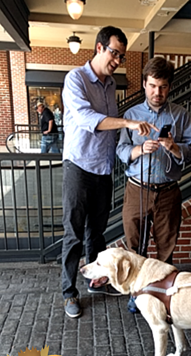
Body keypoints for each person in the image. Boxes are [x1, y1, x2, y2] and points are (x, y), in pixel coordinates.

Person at [61, 26, 156, 318]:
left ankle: (95, 281)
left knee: (96, 233)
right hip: (78, 165)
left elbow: (110, 130)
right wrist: (127, 124)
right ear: (99, 47)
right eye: (115, 53)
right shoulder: (75, 78)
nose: (117, 59)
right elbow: (88, 119)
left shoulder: (110, 83)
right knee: (74, 232)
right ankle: (69, 292)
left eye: (121, 55)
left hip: (103, 168)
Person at [116, 57, 191, 311]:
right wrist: (139, 149)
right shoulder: (131, 115)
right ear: (144, 84)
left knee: (166, 248)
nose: (157, 92)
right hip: (136, 188)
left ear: (169, 86)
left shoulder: (181, 115)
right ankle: (135, 294)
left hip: (168, 192)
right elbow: (120, 150)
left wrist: (174, 147)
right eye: (152, 86)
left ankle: (160, 297)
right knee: (134, 245)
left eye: (162, 87)